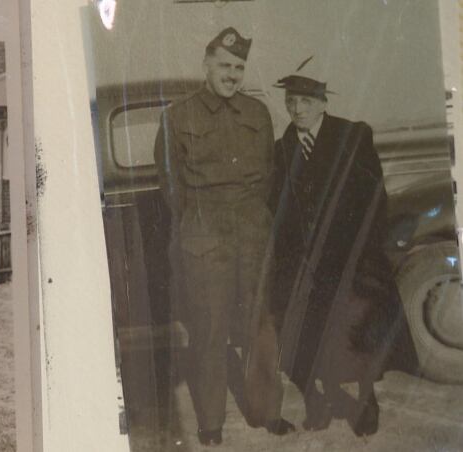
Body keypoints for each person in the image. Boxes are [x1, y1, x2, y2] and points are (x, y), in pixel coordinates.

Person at [153, 27, 293, 446]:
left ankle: (267, 412)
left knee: (259, 325)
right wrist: (202, 222)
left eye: (239, 67)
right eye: (225, 65)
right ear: (207, 66)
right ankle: (210, 422)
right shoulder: (178, 116)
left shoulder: (258, 113)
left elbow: (268, 175)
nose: (232, 74)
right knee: (209, 329)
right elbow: (170, 184)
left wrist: (248, 218)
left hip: (251, 232)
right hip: (204, 235)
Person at [269, 59, 410, 436]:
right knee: (308, 338)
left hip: (352, 260)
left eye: (305, 101)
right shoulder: (280, 149)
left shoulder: (352, 135)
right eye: (291, 101)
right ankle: (317, 402)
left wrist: (364, 252)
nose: (297, 109)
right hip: (306, 266)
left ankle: (366, 402)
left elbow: (375, 198)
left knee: (359, 338)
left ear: (322, 102)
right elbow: (277, 211)